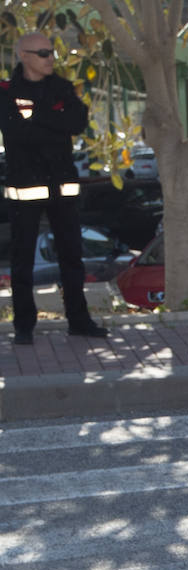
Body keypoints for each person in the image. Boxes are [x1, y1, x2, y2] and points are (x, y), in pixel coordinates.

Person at [0, 31, 107, 344]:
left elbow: (76, 123)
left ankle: (79, 320)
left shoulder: (61, 87)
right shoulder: (7, 91)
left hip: (63, 189)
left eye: (52, 52)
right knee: (23, 263)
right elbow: (18, 133)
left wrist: (37, 116)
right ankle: (24, 327)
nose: (51, 59)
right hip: (26, 189)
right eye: (43, 53)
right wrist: (52, 118)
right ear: (25, 56)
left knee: (72, 258)